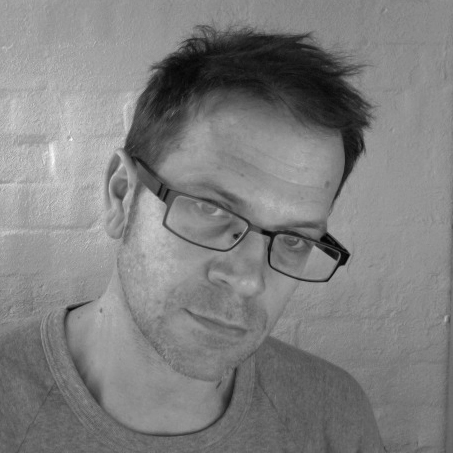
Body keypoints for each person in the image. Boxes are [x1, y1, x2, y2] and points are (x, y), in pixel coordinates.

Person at [0, 25, 385, 452]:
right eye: (212, 209)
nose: (248, 279)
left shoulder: (333, 416)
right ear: (122, 195)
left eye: (294, 239)